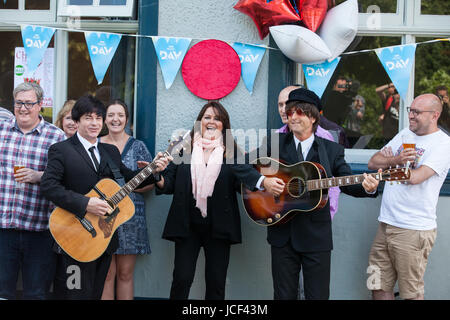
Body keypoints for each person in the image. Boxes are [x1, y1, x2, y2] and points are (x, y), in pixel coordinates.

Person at [40, 95, 170, 300]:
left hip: (104, 239)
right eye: (88, 118)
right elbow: (49, 186)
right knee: (75, 293)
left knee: (96, 293)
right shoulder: (61, 150)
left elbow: (131, 179)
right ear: (77, 121)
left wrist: (154, 171)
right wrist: (85, 203)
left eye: (98, 118)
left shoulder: (109, 151)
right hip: (75, 234)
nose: (94, 123)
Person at [263, 88, 379, 300]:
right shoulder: (274, 144)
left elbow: (346, 182)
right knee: (283, 296)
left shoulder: (331, 150)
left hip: (316, 236)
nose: (293, 117)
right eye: (290, 113)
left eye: (299, 112)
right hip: (282, 233)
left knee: (318, 296)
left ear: (314, 117)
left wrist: (367, 188)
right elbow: (244, 169)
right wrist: (265, 182)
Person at [155, 101, 278, 300]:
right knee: (181, 279)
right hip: (187, 226)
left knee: (216, 283)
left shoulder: (232, 152)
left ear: (224, 124)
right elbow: (168, 184)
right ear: (200, 122)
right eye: (207, 117)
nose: (212, 121)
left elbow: (245, 180)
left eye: (217, 118)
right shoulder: (183, 149)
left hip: (220, 226)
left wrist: (264, 181)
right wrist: (158, 177)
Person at [367, 93, 450, 300]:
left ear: (434, 115)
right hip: (385, 224)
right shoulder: (405, 134)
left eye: (417, 112)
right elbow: (372, 162)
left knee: (411, 293)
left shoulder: (443, 145)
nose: (411, 116)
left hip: (413, 230)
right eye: (410, 110)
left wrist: (389, 165)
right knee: (376, 284)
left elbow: (416, 177)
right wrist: (396, 159)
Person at [0, 82, 66, 300]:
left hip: (39, 229)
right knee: (2, 292)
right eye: (19, 102)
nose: (23, 108)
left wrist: (39, 176)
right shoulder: (1, 131)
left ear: (40, 106)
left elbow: (67, 178)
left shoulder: (56, 137)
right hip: (3, 228)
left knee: (36, 293)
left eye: (29, 103)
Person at [100, 100, 153, 300]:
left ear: (127, 119)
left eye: (120, 115)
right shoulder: (97, 145)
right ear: (104, 119)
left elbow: (151, 183)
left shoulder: (138, 146)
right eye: (111, 115)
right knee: (106, 275)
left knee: (125, 274)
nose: (116, 119)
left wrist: (133, 187)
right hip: (102, 215)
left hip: (132, 217)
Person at [277, 85, 341, 220]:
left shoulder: (324, 137)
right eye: (281, 105)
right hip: (285, 215)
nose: (284, 110)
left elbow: (332, 181)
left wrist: (328, 212)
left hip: (314, 216)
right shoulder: (276, 137)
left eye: (289, 106)